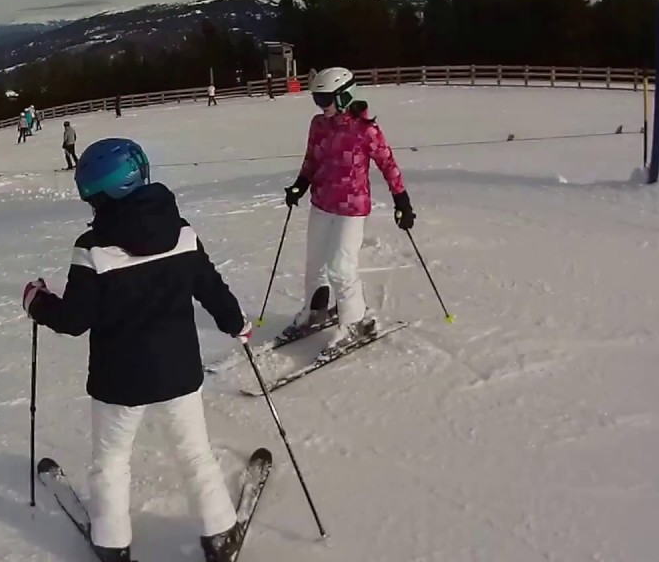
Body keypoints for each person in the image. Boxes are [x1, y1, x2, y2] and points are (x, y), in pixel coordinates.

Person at [22, 138, 250, 562]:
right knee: (195, 454)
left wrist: (37, 302)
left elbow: (74, 320)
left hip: (118, 382)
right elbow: (211, 289)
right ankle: (219, 533)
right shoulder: (182, 234)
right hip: (179, 373)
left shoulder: (93, 250)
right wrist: (237, 325)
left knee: (110, 462)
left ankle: (112, 543)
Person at [282, 67, 414, 350]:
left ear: (343, 96)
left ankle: (356, 321)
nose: (321, 106)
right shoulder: (318, 124)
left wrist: (401, 201)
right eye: (317, 99)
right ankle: (315, 310)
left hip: (352, 208)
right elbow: (311, 159)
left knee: (341, 268)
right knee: (314, 263)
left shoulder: (367, 131)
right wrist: (300, 184)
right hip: (321, 203)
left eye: (325, 99)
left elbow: (388, 164)